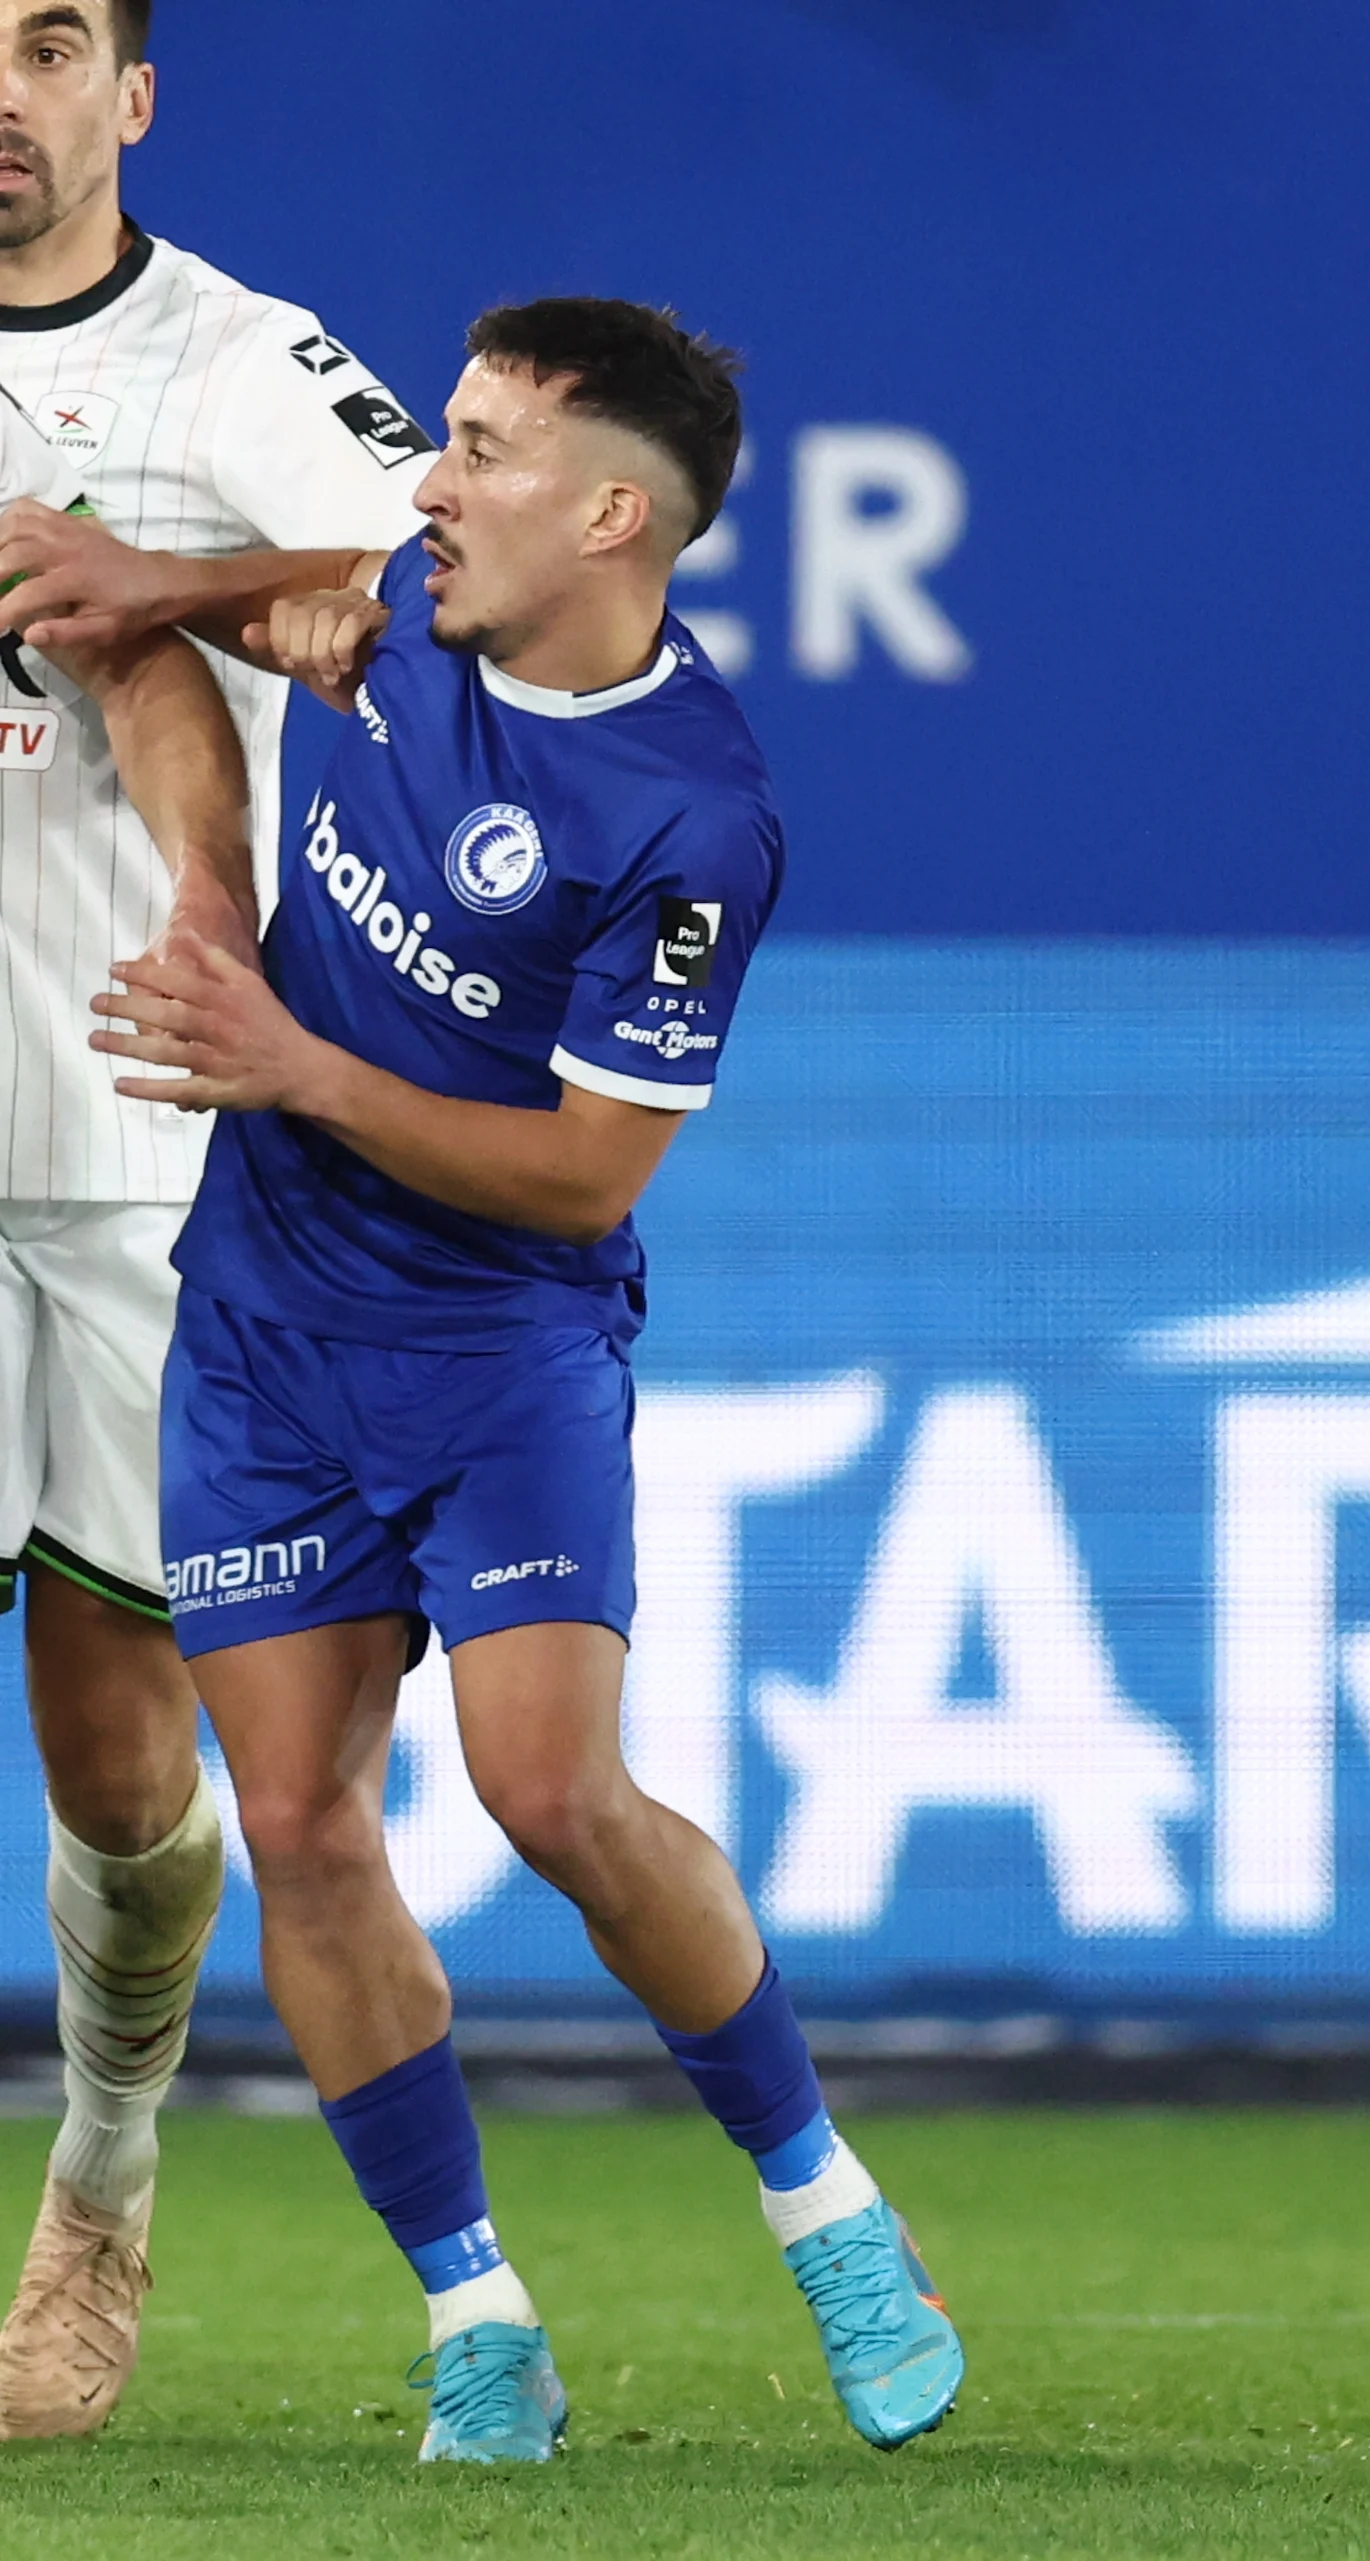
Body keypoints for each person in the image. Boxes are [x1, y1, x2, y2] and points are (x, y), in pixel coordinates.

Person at [57, 298, 961, 2464]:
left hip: (498, 1346)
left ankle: (826, 2200)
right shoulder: (412, 616)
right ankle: (479, 2312)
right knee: (294, 1820)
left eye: (477, 449)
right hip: (264, 1329)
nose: (428, 482)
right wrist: (143, 618)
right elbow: (263, 612)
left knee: (555, 1792)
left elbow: (582, 1173)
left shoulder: (691, 819)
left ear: (617, 514)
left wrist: (288, 1060)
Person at [0, 0, 435, 2432]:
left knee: (118, 1778)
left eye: (53, 39)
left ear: (129, 93)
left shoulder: (234, 353)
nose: (9, 85)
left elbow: (426, 563)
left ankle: (104, 2168)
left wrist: (163, 571)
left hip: (135, 1143)